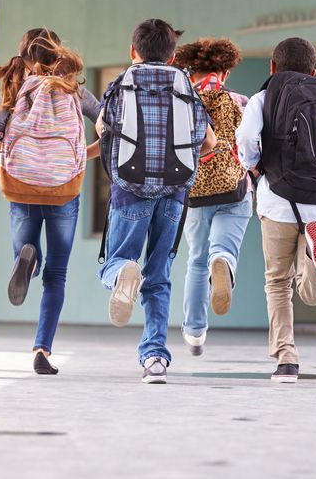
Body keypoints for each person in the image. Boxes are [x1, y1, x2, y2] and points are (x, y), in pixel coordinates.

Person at [236, 37, 316, 383]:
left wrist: (252, 164)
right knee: (313, 294)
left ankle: (287, 357)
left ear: (272, 68)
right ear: (314, 69)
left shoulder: (264, 98)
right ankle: (315, 261)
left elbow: (247, 137)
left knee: (278, 283)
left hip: (278, 201)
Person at [95, 19, 216, 384]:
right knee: (159, 273)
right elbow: (207, 141)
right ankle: (154, 360)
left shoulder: (122, 83)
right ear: (173, 54)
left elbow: (102, 128)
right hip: (175, 191)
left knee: (115, 261)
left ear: (133, 52)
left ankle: (121, 274)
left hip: (129, 188)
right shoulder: (185, 84)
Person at [0, 28, 92, 375]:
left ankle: (27, 257)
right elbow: (106, 120)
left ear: (25, 55)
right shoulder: (73, 87)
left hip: (23, 184)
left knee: (26, 250)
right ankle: (42, 348)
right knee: (56, 276)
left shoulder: (16, 86)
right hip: (63, 188)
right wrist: (86, 154)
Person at [172, 37, 252, 356]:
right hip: (233, 189)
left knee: (196, 261)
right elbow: (251, 146)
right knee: (223, 248)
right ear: (226, 70)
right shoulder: (238, 100)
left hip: (194, 194)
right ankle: (225, 262)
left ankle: (194, 332)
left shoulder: (183, 102)